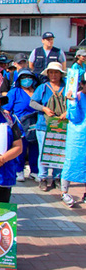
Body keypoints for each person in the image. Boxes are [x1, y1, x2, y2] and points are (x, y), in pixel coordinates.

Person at [30, 62, 66, 191]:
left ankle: (57, 177)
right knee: (44, 151)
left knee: (59, 152)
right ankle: (43, 177)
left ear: (61, 74)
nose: (53, 75)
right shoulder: (43, 88)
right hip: (44, 124)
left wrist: (67, 112)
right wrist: (44, 109)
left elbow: (74, 101)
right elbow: (33, 102)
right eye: (51, 72)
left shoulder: (67, 86)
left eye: (56, 72)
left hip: (62, 125)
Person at [3, 69, 39, 182]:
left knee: (35, 149)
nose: (26, 80)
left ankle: (35, 171)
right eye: (23, 78)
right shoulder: (15, 92)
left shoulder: (38, 91)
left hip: (35, 124)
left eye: (29, 77)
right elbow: (6, 110)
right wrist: (10, 125)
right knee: (20, 149)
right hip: (19, 124)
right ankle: (19, 171)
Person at [62, 79, 86, 207]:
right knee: (71, 161)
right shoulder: (75, 96)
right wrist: (71, 101)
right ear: (82, 84)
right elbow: (74, 116)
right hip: (77, 135)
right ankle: (64, 192)